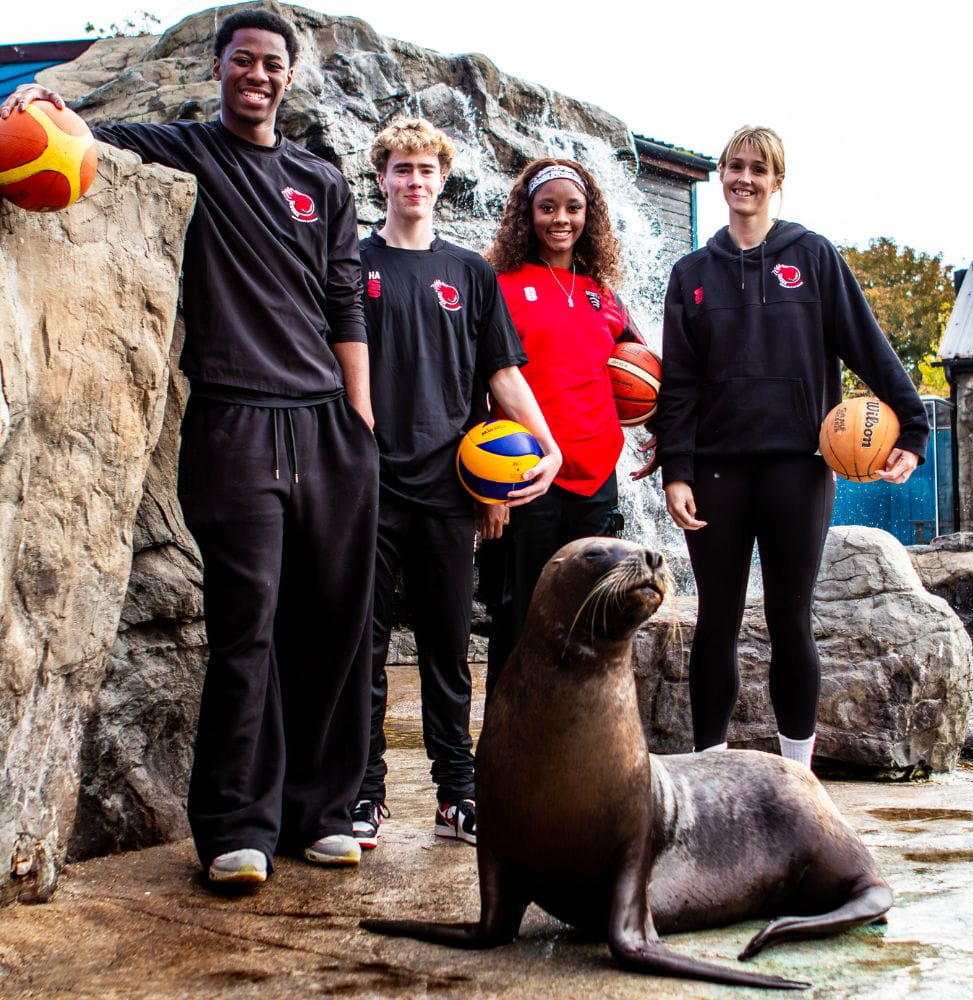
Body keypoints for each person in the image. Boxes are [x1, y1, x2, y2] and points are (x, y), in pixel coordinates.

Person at [2, 7, 379, 885]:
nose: (258, 75)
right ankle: (236, 827)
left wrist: (361, 422)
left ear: (290, 76)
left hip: (328, 426)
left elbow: (345, 298)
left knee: (333, 627)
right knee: (245, 628)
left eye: (272, 63)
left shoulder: (321, 182)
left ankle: (320, 813)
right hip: (234, 421)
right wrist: (33, 95)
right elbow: (77, 127)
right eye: (243, 60)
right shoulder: (186, 152)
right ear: (218, 69)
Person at [642, 125, 929, 770]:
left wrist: (912, 426)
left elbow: (866, 343)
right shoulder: (692, 273)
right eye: (733, 167)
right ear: (720, 176)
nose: (743, 179)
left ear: (777, 181)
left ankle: (797, 776)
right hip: (716, 468)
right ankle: (712, 773)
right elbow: (680, 383)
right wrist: (676, 470)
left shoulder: (814, 256)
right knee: (715, 620)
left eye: (757, 169)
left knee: (789, 618)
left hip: (798, 467)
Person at [352, 119, 561, 850]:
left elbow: (502, 374)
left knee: (447, 650)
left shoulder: (469, 272)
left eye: (426, 169)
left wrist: (546, 447)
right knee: (364, 647)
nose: (413, 180)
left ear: (443, 181)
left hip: (449, 491)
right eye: (401, 168)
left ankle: (457, 795)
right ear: (382, 177)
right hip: (368, 487)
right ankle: (363, 793)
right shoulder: (351, 261)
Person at [481, 158, 646, 688]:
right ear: (526, 214)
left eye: (573, 208)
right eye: (547, 207)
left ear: (588, 215)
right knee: (519, 615)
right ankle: (505, 754)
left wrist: (660, 426)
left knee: (592, 618)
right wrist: (484, 486)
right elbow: (476, 379)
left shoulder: (604, 293)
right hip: (525, 474)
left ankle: (581, 751)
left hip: (597, 475)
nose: (561, 219)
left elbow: (642, 373)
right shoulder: (499, 285)